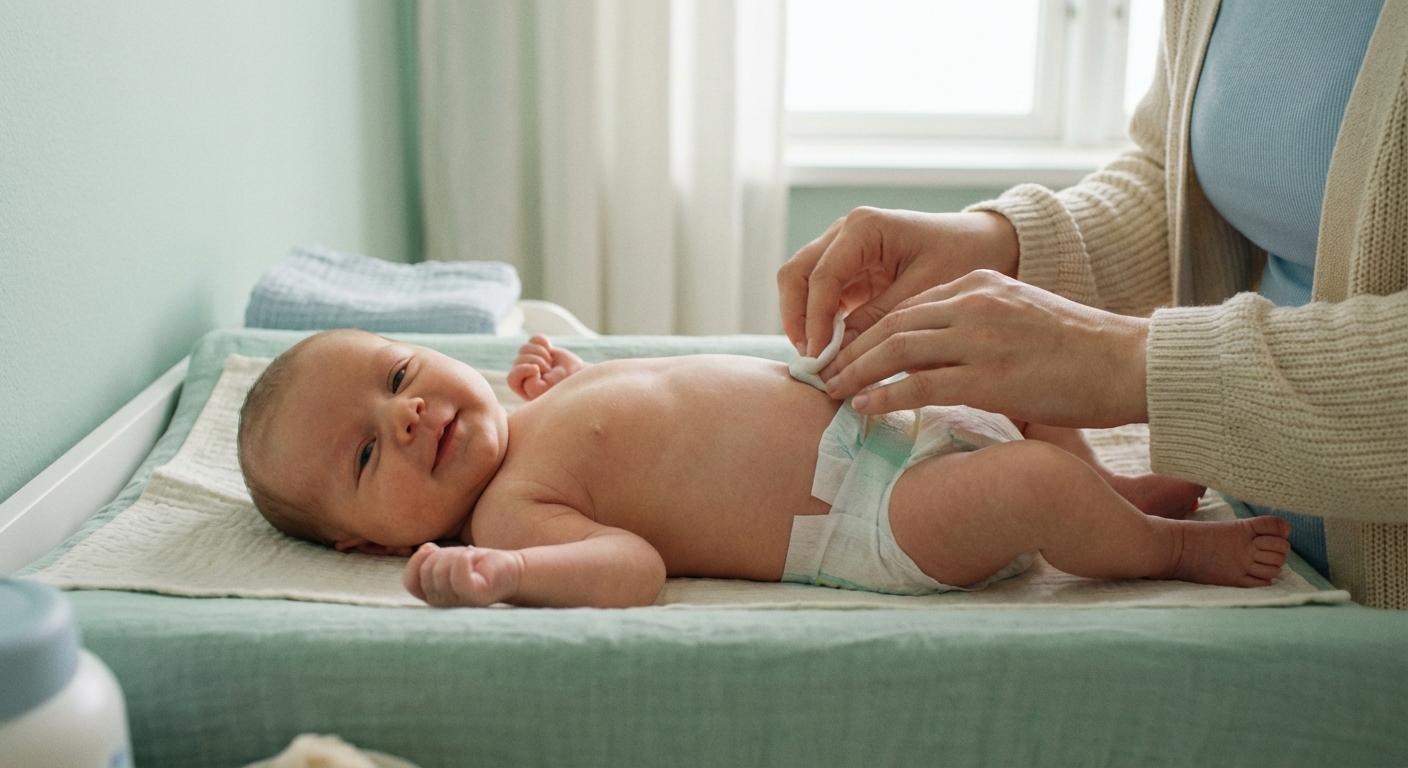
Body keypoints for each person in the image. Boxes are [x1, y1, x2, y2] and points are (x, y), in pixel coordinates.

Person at [777, 0, 1407, 609]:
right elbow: (1188, 180)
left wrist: (1131, 365)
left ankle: (1167, 543)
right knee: (1005, 388)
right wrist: (1003, 245)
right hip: (1254, 494)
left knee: (1034, 479)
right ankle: (1113, 492)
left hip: (1377, 583)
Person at [235, 328, 1289, 608]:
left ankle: (1105, 497)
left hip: (891, 427)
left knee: (1008, 362)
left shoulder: (535, 409)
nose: (411, 414)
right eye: (369, 452)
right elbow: (632, 567)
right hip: (876, 516)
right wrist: (509, 579)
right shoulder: (510, 515)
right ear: (359, 540)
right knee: (1030, 489)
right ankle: (1158, 548)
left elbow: (661, 406)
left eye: (400, 373)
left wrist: (577, 371)